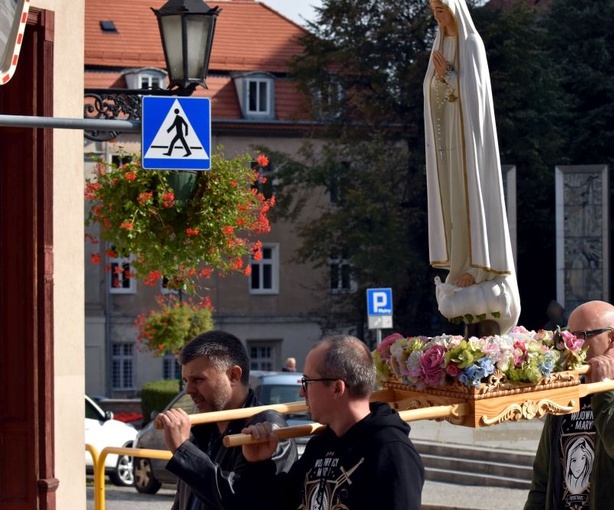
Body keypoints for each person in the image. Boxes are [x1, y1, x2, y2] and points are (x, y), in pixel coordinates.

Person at [424, 0, 520, 333]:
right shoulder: (441, 44)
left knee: (469, 204)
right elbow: (432, 90)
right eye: (434, 10)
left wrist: (447, 77)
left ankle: (478, 270)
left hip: (469, 143)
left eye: (441, 8)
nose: (438, 16)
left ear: (455, 8)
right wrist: (438, 80)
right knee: (452, 208)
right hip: (448, 141)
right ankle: (461, 263)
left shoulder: (471, 43)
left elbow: (475, 95)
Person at [241, 335, 425, 509]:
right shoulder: (319, 445)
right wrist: (259, 466)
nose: (301, 393)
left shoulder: (391, 451)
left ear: (337, 388)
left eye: (307, 382)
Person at [525, 300, 614, 509]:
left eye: (581, 336)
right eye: (569, 337)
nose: (573, 346)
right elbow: (543, 476)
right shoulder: (568, 393)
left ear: (612, 338)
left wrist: (604, 386)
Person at [156, 330, 297, 510]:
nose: (188, 390)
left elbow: (244, 503)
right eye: (186, 380)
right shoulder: (203, 432)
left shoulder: (266, 427)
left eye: (198, 379)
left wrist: (184, 451)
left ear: (233, 376)